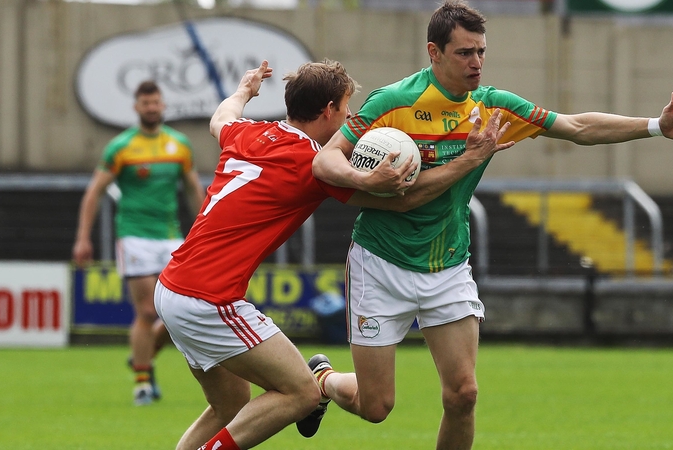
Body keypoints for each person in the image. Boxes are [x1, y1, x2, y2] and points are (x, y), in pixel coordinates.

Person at [307, 1, 673, 448]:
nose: (476, 62)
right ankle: (324, 381)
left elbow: (576, 127)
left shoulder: (493, 108)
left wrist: (655, 125)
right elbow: (325, 159)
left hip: (446, 264)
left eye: (481, 51)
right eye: (464, 52)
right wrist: (369, 178)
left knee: (463, 394)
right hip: (380, 263)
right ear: (434, 52)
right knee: (376, 407)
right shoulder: (392, 102)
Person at [154, 58, 514, 450]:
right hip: (210, 299)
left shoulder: (246, 133)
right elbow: (405, 202)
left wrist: (245, 90)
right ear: (329, 111)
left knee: (232, 406)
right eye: (346, 109)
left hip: (172, 289)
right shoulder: (314, 165)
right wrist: (467, 159)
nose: (351, 117)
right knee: (301, 394)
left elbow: (220, 117)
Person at [72, 80, 206, 406]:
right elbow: (94, 192)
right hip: (134, 237)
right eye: (145, 103)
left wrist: (204, 230)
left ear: (163, 105)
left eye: (155, 102)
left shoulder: (179, 145)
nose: (151, 107)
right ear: (137, 107)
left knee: (181, 310)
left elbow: (193, 189)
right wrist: (82, 238)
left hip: (172, 236)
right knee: (147, 310)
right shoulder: (121, 147)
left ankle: (143, 355)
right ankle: (143, 382)